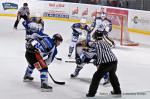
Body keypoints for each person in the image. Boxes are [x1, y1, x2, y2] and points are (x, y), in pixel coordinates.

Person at [86, 32, 121, 97]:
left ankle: (91, 93)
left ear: (95, 37)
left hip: (106, 63)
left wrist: (97, 62)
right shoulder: (105, 43)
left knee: (96, 77)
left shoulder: (97, 44)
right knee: (112, 76)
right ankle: (117, 91)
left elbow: (100, 54)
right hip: (114, 61)